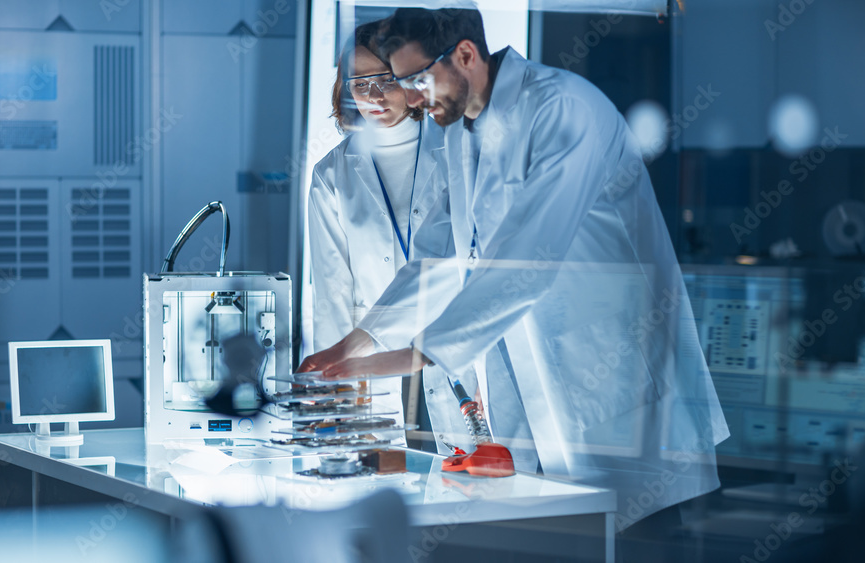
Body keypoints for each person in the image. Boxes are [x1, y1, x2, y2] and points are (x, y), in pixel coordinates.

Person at [300, 7, 730, 532]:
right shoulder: (462, 129)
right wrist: (357, 342)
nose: (410, 99)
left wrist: (411, 357)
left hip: (618, 390)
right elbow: (439, 257)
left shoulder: (564, 110)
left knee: (640, 537)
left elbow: (527, 262)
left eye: (416, 80)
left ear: (465, 55)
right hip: (535, 401)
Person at [307, 21, 469, 450]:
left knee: (464, 475)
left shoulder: (457, 148)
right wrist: (333, 395)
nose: (373, 96)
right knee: (390, 481)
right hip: (371, 365)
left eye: (384, 80)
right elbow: (332, 291)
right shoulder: (332, 173)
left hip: (448, 347)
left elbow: (457, 261)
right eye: (359, 83)